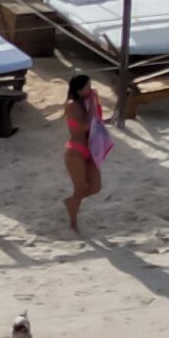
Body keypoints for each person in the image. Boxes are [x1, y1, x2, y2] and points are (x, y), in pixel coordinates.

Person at [62, 74, 111, 235]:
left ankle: (71, 202)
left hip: (88, 150)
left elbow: (96, 121)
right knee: (80, 188)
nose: (90, 89)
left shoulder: (85, 102)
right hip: (75, 150)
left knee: (96, 187)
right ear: (78, 89)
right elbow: (83, 126)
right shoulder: (72, 105)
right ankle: (73, 223)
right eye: (87, 87)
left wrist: (93, 103)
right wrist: (92, 105)